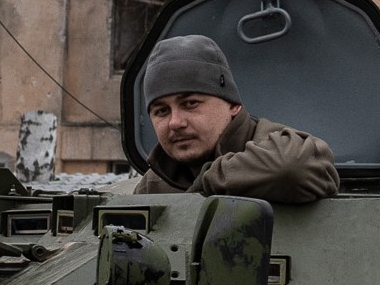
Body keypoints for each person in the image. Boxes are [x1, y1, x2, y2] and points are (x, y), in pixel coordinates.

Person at [133, 34, 340, 202]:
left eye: (190, 104)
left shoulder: (272, 145)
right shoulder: (155, 185)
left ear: (232, 104)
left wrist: (206, 182)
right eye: (161, 111)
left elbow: (294, 168)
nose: (176, 122)